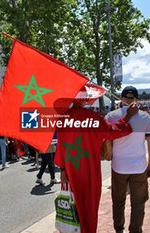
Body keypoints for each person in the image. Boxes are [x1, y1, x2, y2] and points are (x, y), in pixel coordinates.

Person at [55, 84, 137, 233]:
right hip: (89, 170)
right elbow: (112, 132)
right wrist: (128, 116)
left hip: (70, 170)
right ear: (87, 99)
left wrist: (62, 169)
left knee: (72, 205)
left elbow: (61, 146)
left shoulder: (63, 118)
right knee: (89, 206)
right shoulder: (93, 118)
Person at [105, 86, 150, 233]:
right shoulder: (145, 117)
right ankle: (135, 230)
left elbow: (106, 139)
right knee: (138, 203)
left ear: (121, 98)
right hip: (139, 166)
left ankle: (118, 229)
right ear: (136, 99)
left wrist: (109, 155)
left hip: (118, 166)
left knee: (118, 201)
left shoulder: (110, 116)